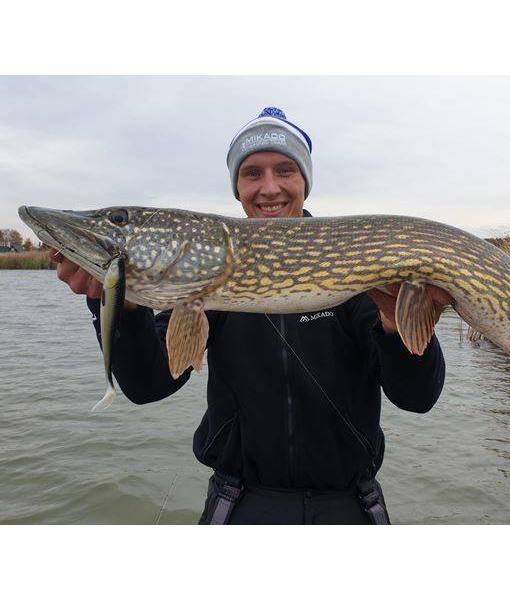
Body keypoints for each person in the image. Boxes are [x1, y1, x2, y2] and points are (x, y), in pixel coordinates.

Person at [50, 107, 451, 524]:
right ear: (238, 188)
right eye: (252, 173)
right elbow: (148, 385)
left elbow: (418, 398)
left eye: (285, 170)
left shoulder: (359, 268)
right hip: (240, 504)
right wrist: (121, 304)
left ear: (305, 182)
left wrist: (396, 326)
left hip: (349, 505)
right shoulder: (204, 282)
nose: (269, 188)